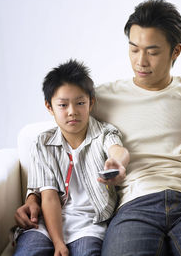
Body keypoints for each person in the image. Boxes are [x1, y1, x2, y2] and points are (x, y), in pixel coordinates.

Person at [15, 0, 181, 255]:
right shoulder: (101, 99)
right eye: (134, 49)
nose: (141, 61)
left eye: (152, 52)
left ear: (175, 51)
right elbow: (61, 140)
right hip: (133, 206)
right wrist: (32, 198)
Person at [13, 59, 130, 256]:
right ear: (49, 107)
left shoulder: (104, 133)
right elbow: (49, 198)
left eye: (80, 103)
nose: (72, 111)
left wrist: (117, 163)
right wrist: (58, 243)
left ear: (91, 103)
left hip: (90, 225)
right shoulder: (43, 143)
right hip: (47, 224)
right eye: (63, 105)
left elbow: (118, 150)